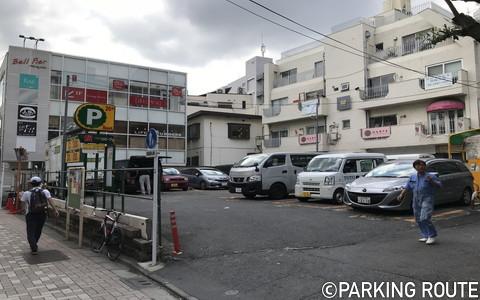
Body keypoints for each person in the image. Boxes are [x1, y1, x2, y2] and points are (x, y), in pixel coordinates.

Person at [397, 160, 442, 245]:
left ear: (425, 166)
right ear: (415, 167)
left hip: (427, 198)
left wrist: (431, 181)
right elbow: (407, 187)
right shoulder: (413, 177)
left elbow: (440, 185)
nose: (420, 167)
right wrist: (401, 195)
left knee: (424, 217)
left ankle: (432, 235)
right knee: (418, 219)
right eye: (418, 165)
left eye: (422, 165)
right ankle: (425, 235)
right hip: (416, 199)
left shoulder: (430, 176)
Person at [20, 176, 59, 254]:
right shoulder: (45, 191)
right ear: (40, 183)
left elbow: (23, 204)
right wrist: (55, 210)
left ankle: (33, 246)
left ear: (31, 184)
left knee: (30, 231)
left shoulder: (27, 193)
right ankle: (35, 243)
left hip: (30, 214)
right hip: (42, 214)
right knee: (38, 230)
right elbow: (50, 201)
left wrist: (24, 210)